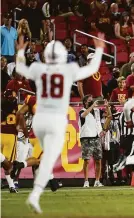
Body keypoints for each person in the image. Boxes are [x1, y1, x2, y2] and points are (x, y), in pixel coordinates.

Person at [15, 33, 105, 213]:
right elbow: (89, 69)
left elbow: (21, 69)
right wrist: (100, 48)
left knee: (45, 156)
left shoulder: (38, 76)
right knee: (45, 156)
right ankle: (25, 167)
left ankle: (49, 184)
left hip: (38, 121)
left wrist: (20, 52)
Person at [79, 95, 107, 188]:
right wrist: (92, 105)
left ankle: (97, 181)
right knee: (86, 160)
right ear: (85, 102)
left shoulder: (97, 111)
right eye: (90, 101)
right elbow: (83, 115)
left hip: (96, 137)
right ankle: (86, 181)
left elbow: (108, 115)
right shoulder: (82, 111)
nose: (92, 102)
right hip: (86, 138)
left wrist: (106, 105)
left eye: (92, 100)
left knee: (98, 160)